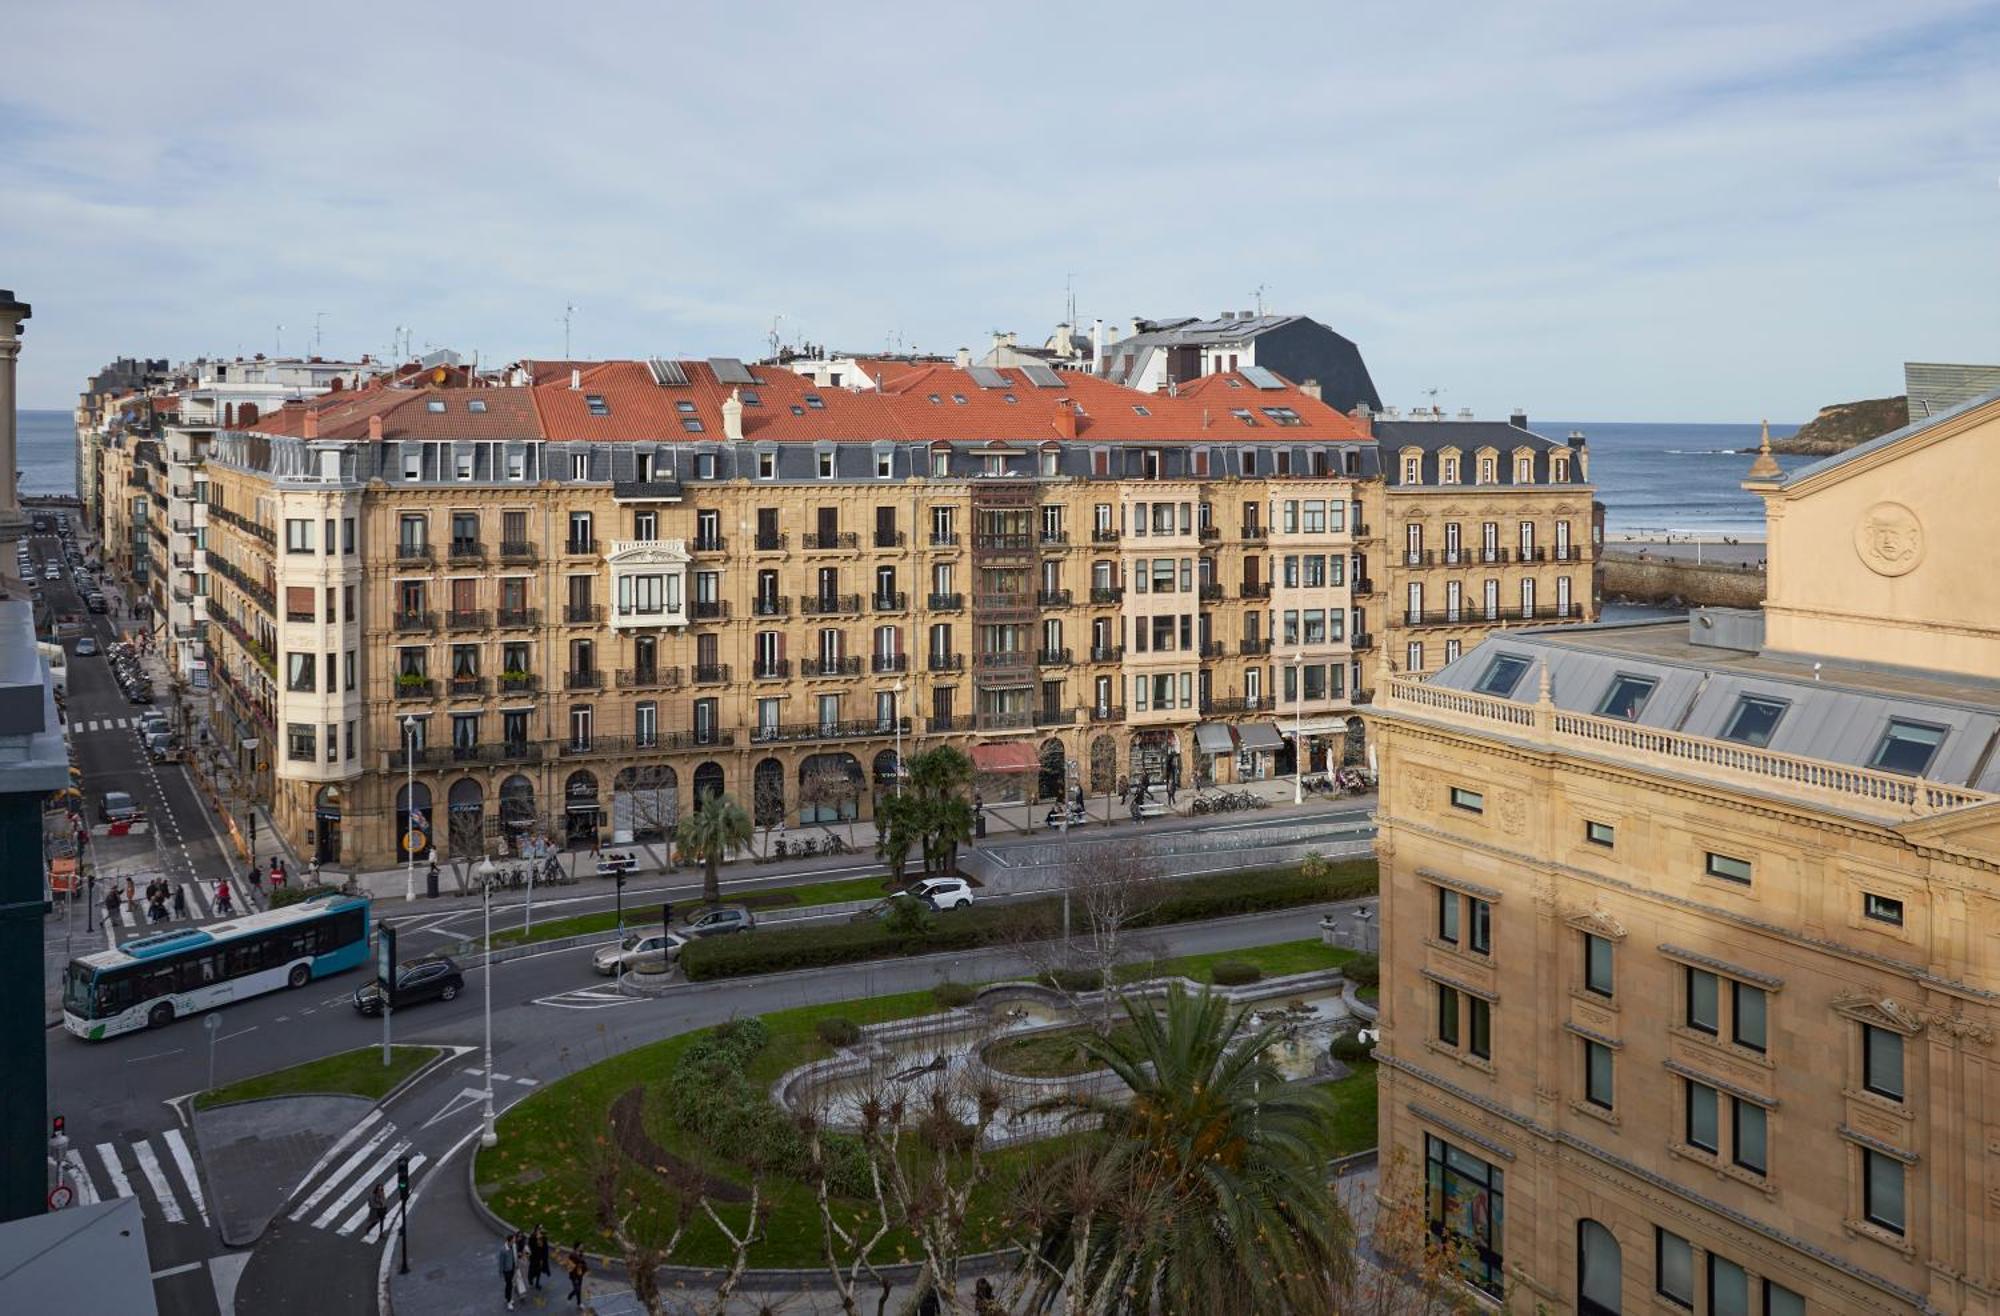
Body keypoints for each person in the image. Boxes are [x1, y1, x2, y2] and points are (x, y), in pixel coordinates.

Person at [497, 1232, 518, 1309]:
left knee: (509, 1285)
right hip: (507, 1271)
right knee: (509, 1285)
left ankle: (507, 1297)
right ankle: (509, 1301)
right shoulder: (503, 1250)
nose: (515, 1240)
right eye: (513, 1239)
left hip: (512, 1268)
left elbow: (515, 1256)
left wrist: (516, 1265)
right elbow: (501, 1263)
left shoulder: (514, 1246)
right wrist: (501, 1273)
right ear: (509, 1241)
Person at [528, 1226, 550, 1290]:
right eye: (539, 1229)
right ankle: (530, 1278)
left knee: (539, 1271)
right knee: (532, 1270)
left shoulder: (543, 1238)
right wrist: (537, 1242)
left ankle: (537, 1283)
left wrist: (544, 1258)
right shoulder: (532, 1237)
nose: (540, 1231)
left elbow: (545, 1248)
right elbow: (531, 1247)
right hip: (534, 1257)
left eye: (540, 1229)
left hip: (540, 1258)